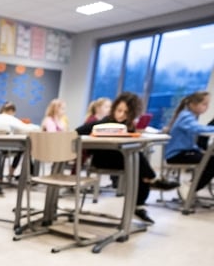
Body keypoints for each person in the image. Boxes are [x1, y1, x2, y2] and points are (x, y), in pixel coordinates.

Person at [75, 92, 179, 224]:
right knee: (137, 159)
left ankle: (140, 204)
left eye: (126, 112)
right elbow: (77, 131)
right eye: (119, 110)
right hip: (103, 160)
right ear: (114, 109)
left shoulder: (128, 126)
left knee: (137, 163)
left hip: (123, 160)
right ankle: (151, 182)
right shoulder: (105, 122)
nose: (121, 115)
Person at [0, 101, 41, 181]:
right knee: (24, 149)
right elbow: (25, 128)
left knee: (21, 149)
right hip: (6, 148)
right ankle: (28, 175)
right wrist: (38, 127)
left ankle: (11, 173)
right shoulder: (10, 118)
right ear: (11, 111)